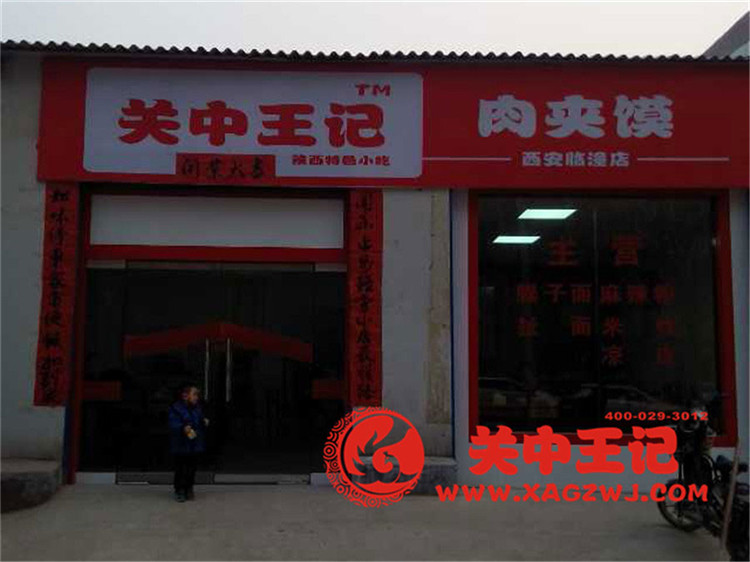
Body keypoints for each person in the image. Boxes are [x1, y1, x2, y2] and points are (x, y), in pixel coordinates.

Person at [168, 384, 209, 502]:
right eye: (194, 394)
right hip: (181, 444)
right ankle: (180, 490)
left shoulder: (197, 408)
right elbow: (173, 424)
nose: (196, 397)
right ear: (185, 396)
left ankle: (189, 488)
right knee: (181, 468)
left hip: (194, 443)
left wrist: (203, 421)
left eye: (197, 395)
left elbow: (199, 421)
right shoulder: (176, 409)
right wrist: (182, 428)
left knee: (192, 468)